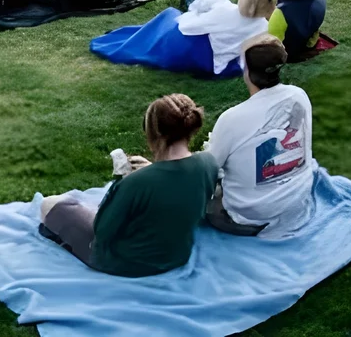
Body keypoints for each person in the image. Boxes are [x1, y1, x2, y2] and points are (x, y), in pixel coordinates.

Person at [37, 94, 217, 277]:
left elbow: (103, 231)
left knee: (49, 204)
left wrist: (123, 183)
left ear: (155, 133)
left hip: (124, 264)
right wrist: (153, 169)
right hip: (176, 256)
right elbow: (178, 183)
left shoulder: (137, 183)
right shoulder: (208, 164)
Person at [198, 38, 318, 238]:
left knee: (203, 197)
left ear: (247, 73)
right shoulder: (299, 96)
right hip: (298, 202)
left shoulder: (231, 119)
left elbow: (206, 170)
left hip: (251, 218)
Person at [90, 0, 277, 77]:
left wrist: (192, 12)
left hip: (188, 52)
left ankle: (124, 40)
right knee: (172, 21)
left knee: (169, 16)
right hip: (213, 62)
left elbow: (188, 26)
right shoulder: (264, 27)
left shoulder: (225, 11)